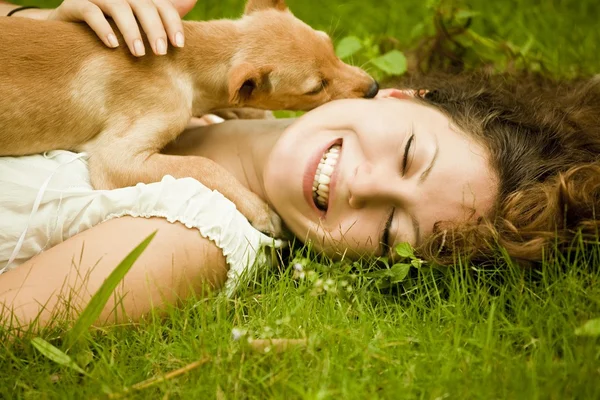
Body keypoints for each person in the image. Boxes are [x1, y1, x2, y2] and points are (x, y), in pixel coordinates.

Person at [1, 0, 598, 329]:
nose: (364, 184)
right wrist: (39, 20)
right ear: (400, 96)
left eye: (392, 230)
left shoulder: (194, 232)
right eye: (408, 155)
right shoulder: (177, 85)